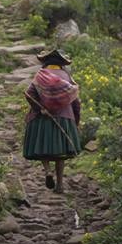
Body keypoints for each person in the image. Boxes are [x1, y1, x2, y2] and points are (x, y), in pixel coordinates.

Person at [22, 48, 81, 193]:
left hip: (43, 118)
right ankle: (60, 185)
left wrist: (39, 109)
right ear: (62, 63)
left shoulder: (40, 75)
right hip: (64, 118)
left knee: (44, 150)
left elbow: (29, 94)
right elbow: (76, 101)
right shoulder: (67, 77)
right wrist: (76, 120)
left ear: (45, 62)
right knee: (60, 155)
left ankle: (48, 171)